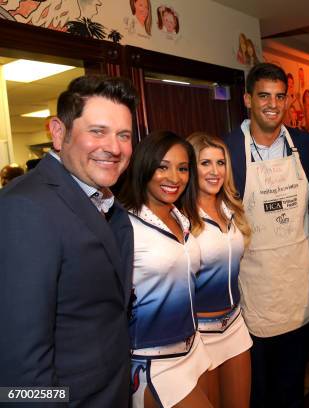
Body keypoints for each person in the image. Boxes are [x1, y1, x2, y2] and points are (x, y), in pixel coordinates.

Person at [0, 75, 137, 407]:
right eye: (97, 131)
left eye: (124, 135)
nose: (114, 148)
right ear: (59, 133)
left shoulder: (102, 200)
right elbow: (21, 368)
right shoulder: (25, 207)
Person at [224, 62, 309, 408]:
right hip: (254, 294)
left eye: (280, 96)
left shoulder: (305, 147)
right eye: (264, 95)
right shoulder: (227, 150)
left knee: (292, 387)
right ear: (248, 99)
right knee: (257, 393)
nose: (272, 104)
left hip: (297, 288)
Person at [119, 131, 212, 408]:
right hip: (153, 360)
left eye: (182, 168)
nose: (174, 177)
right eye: (163, 166)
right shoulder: (124, 225)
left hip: (193, 348)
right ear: (145, 167)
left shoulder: (179, 216)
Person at [187, 132, 253, 408]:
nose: (215, 171)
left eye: (220, 163)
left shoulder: (231, 209)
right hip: (201, 334)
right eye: (205, 163)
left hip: (235, 325)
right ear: (191, 167)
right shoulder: (182, 218)